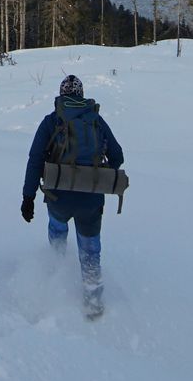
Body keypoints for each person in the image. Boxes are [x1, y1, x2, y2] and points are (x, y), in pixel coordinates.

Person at [21, 73, 123, 315]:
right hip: (90, 198)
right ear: (81, 94)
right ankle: (93, 302)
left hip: (59, 196)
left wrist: (28, 197)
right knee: (90, 249)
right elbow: (118, 155)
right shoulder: (95, 120)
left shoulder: (51, 121)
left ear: (62, 94)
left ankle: (55, 266)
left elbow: (35, 159)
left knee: (57, 227)